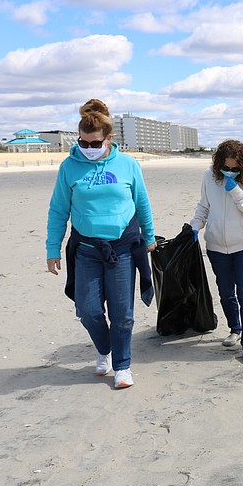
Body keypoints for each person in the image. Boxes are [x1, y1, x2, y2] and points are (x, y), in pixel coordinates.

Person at [45, 99, 157, 389]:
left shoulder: (128, 165)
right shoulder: (69, 167)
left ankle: (122, 366)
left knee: (122, 313)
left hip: (122, 248)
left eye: (95, 144)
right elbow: (59, 210)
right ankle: (105, 350)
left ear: (109, 139)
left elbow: (141, 202)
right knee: (89, 310)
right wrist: (52, 249)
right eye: (84, 143)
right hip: (86, 250)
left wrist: (150, 236)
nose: (89, 149)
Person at [190, 140, 243, 364]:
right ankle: (235, 328)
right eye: (226, 168)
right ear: (218, 165)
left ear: (242, 165)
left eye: (235, 169)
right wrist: (195, 226)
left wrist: (237, 193)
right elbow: (204, 205)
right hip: (216, 245)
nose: (229, 172)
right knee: (225, 292)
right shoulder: (209, 176)